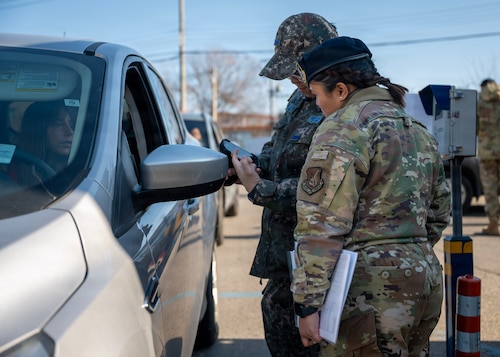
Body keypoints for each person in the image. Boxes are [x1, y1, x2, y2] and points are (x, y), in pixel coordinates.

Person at [281, 36, 450, 356]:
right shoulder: (415, 127)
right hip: (423, 279)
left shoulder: (342, 127)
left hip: (369, 290)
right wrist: (404, 251)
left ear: (341, 90)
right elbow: (439, 210)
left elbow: (320, 225)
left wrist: (307, 304)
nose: (317, 104)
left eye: (316, 94)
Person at [229, 13, 338, 357]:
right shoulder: (301, 100)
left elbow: (328, 193)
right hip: (284, 264)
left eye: (296, 70)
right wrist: (252, 165)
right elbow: (280, 152)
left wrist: (259, 189)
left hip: (317, 270)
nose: (293, 80)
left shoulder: (341, 108)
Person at [16, 100, 74, 184]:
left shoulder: (81, 170)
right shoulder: (13, 173)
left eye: (71, 125)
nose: (69, 131)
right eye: (58, 124)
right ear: (38, 131)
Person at [476, 78, 500, 236]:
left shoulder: (478, 103)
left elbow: (475, 127)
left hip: (487, 153)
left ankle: (493, 225)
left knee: (491, 190)